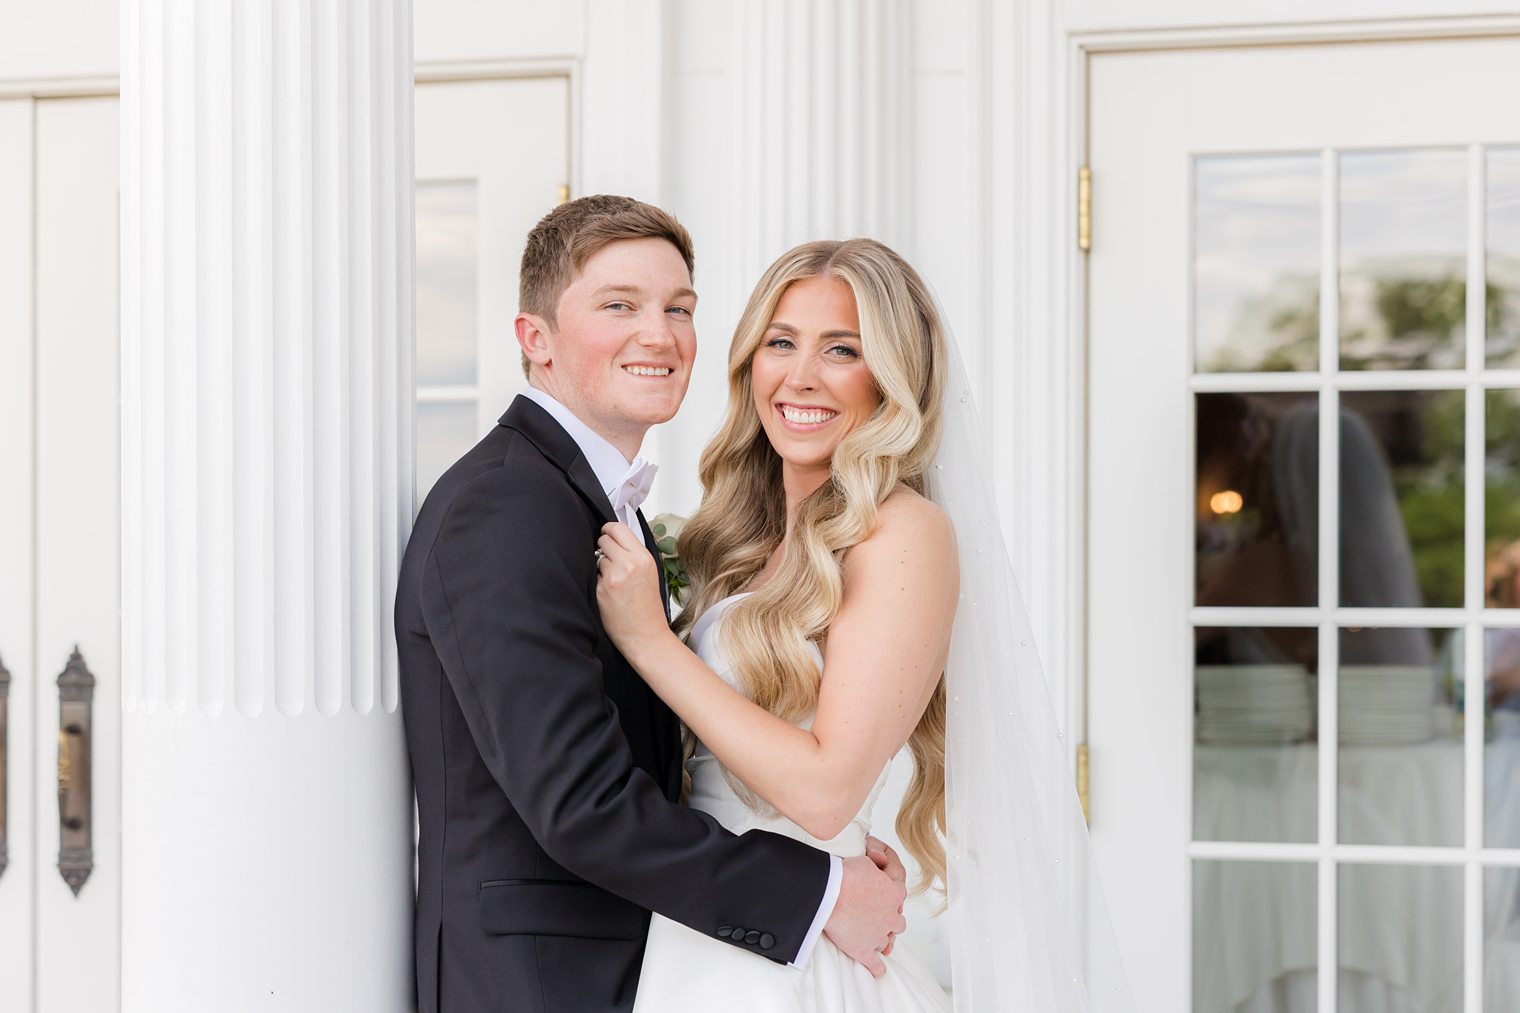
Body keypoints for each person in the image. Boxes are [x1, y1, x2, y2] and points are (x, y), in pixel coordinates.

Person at [394, 197, 908, 1013]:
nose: (659, 334)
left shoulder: (590, 504)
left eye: (679, 309)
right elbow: (581, 804)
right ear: (535, 339)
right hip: (539, 985)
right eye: (619, 305)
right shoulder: (503, 509)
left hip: (659, 964)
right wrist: (818, 893)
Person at [595, 238, 1133, 1010]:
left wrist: (649, 639)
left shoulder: (902, 532)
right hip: (703, 932)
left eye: (841, 350)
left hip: (794, 966)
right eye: (781, 343)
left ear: (891, 377)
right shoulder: (735, 536)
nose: (801, 376)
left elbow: (824, 793)